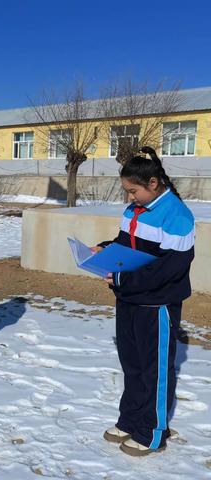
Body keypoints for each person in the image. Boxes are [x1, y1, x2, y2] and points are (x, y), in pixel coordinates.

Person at [96, 146, 195, 456]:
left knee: (155, 369)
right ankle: (130, 419)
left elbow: (170, 268)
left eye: (133, 190)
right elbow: (128, 244)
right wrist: (106, 249)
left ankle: (152, 432)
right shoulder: (135, 210)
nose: (129, 198)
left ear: (153, 183)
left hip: (157, 305)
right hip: (129, 300)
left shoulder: (177, 215)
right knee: (133, 365)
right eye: (126, 191)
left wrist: (126, 279)